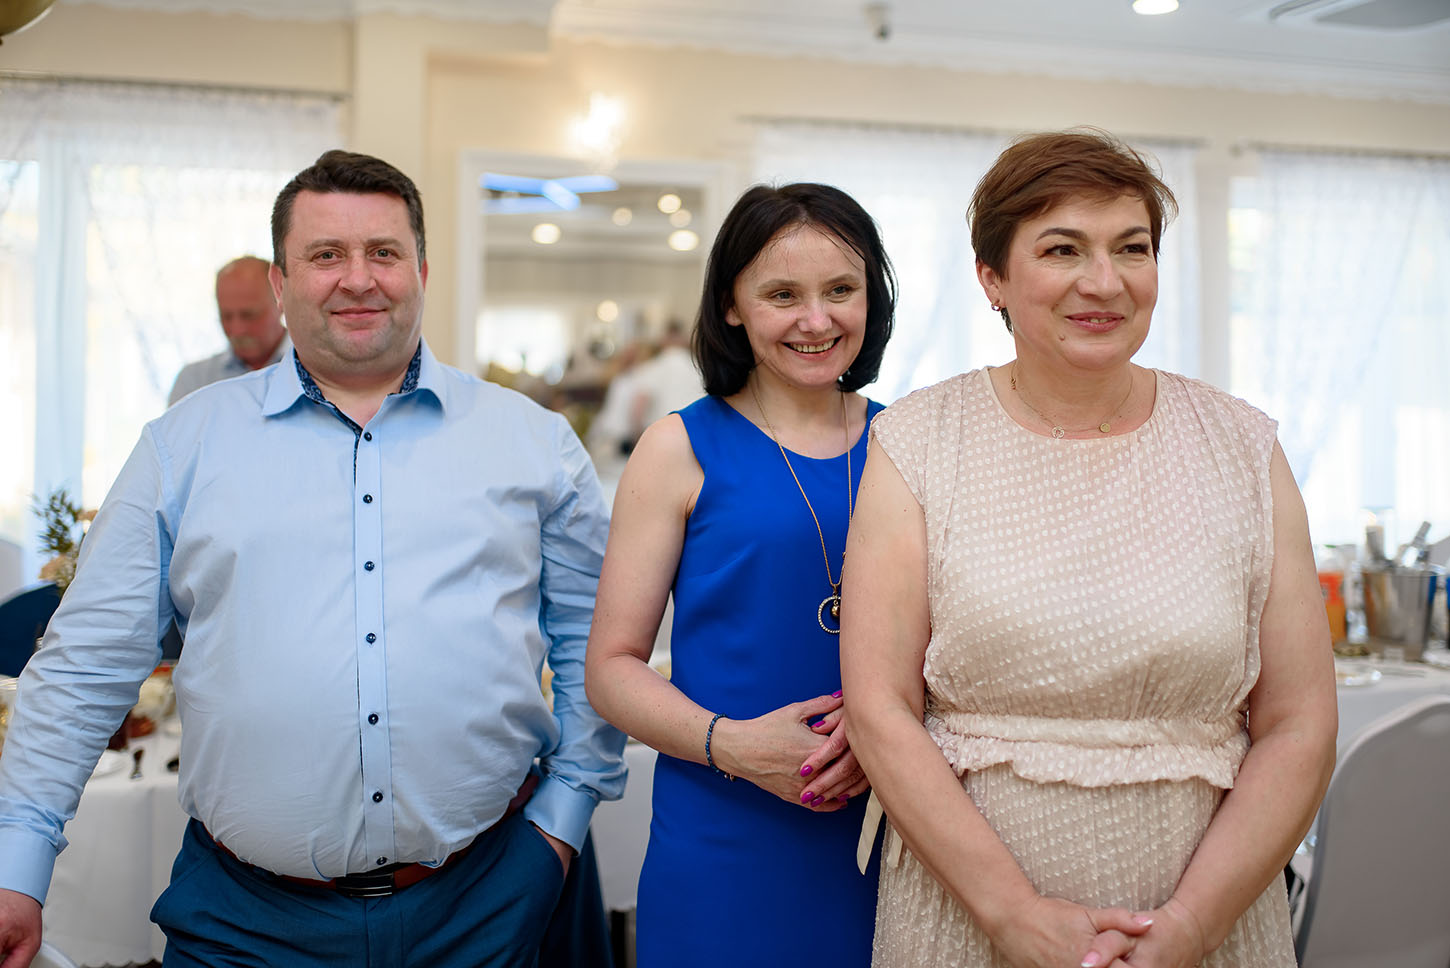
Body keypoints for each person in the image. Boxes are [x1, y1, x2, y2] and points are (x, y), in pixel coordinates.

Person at [0, 150, 625, 968]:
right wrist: (16, 870)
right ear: (280, 281)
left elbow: (596, 642)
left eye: (383, 252)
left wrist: (562, 821)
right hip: (245, 923)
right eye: (326, 254)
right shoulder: (182, 447)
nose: (357, 279)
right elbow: (84, 666)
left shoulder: (532, 442)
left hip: (486, 904)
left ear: (422, 271)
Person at [840, 129, 1338, 968]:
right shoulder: (921, 441)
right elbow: (880, 710)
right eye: (1062, 249)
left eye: (1132, 249)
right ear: (992, 277)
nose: (1105, 282)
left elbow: (1300, 722)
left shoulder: (1242, 446)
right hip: (967, 911)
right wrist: (1011, 913)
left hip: (1209, 911)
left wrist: (1194, 924)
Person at [585, 183, 895, 966]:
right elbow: (611, 670)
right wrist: (735, 745)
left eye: (840, 290)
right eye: (782, 295)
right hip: (723, 836)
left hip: (887, 832)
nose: (816, 320)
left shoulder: (909, 444)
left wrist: (888, 725)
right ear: (732, 305)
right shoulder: (677, 447)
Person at [167, 255, 291, 404]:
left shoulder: (312, 369)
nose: (237, 330)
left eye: (248, 315)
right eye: (226, 316)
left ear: (281, 302)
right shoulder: (194, 382)